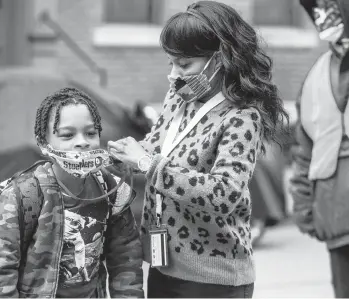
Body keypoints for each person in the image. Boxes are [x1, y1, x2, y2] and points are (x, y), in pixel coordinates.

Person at [108, 1, 289, 298]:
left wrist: (146, 164)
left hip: (213, 278)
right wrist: (118, 158)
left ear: (220, 59)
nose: (175, 74)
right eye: (171, 63)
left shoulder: (243, 117)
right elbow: (155, 146)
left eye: (185, 64)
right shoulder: (179, 96)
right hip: (162, 263)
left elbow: (225, 194)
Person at [0, 87, 144, 298]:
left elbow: (126, 256)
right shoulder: (22, 194)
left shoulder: (112, 190)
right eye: (68, 135)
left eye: (91, 133)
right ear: (43, 143)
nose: (82, 142)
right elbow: (4, 268)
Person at [290, 0, 349, 297]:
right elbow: (305, 149)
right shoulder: (316, 76)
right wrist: (303, 204)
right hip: (336, 217)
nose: (324, 15)